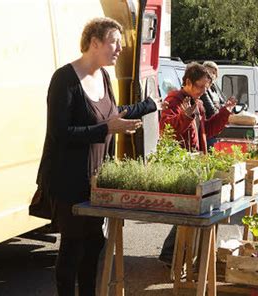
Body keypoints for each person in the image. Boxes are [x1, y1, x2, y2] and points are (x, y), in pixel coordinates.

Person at [31, 17, 158, 296]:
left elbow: (110, 113)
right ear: (94, 42)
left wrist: (146, 107)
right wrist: (106, 128)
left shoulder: (103, 76)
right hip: (67, 180)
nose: (119, 49)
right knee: (73, 245)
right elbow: (60, 132)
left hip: (95, 181)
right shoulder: (64, 79)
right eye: (114, 42)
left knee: (94, 245)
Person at [158, 62, 237, 265]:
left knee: (193, 210)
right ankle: (170, 254)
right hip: (181, 163)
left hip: (196, 162)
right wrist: (184, 116)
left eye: (206, 87)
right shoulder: (174, 100)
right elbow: (167, 129)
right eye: (200, 86)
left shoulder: (198, 103)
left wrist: (224, 112)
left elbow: (207, 130)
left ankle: (174, 254)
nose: (203, 91)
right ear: (187, 82)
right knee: (189, 210)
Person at [200, 61, 227, 148]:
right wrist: (219, 109)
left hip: (217, 129)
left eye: (214, 73)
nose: (212, 75)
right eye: (209, 72)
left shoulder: (214, 88)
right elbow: (211, 110)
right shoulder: (204, 89)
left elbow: (223, 103)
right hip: (208, 128)